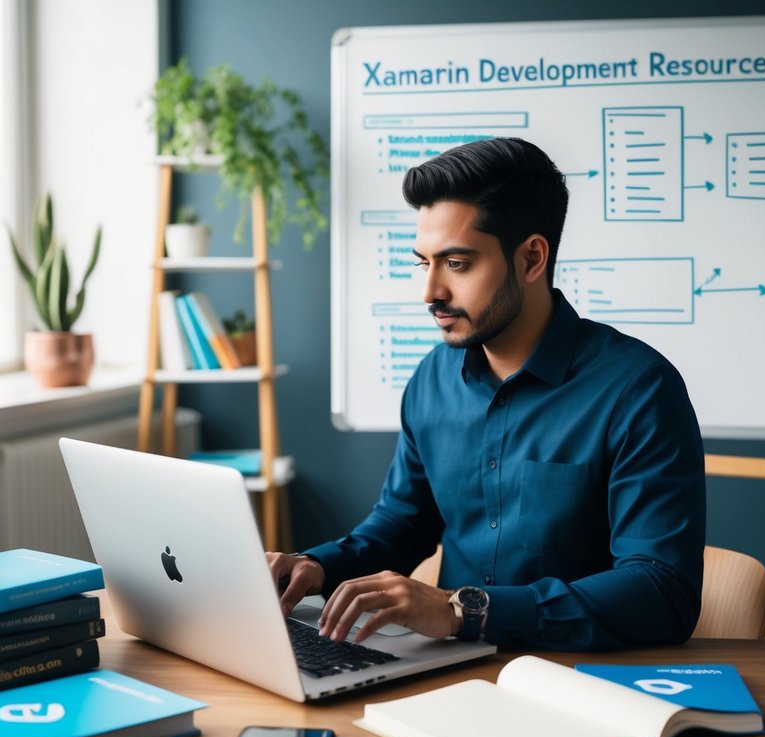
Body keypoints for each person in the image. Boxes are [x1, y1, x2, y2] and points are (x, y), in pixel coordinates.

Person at [268, 137, 705, 651]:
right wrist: (317, 566)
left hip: (584, 680)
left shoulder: (638, 389)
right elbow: (401, 525)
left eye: (456, 263)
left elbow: (662, 590)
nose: (430, 291)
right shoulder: (432, 380)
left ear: (532, 258)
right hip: (446, 670)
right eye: (422, 262)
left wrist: (462, 611)